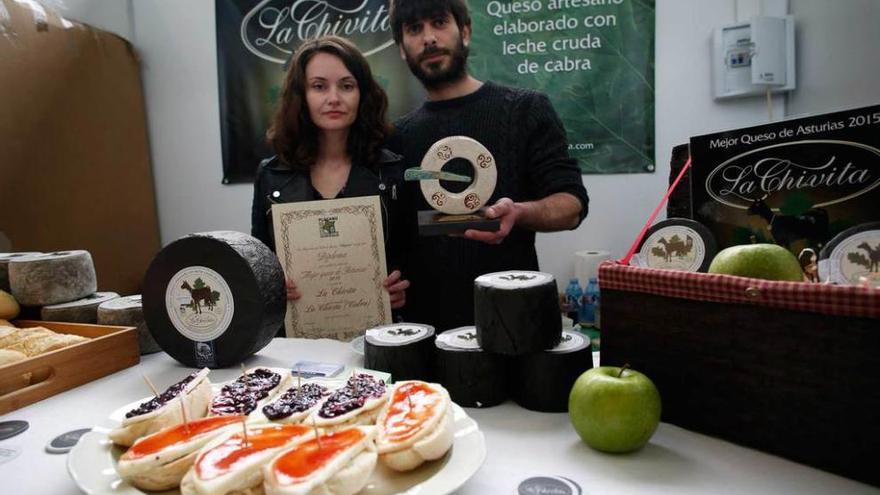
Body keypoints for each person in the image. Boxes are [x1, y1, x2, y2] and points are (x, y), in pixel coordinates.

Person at [387, 0, 590, 330]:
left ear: (464, 31)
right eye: (414, 29)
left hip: (516, 326)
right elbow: (396, 234)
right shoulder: (395, 138)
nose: (428, 38)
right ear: (401, 48)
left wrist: (519, 213)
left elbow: (572, 206)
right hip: (425, 334)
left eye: (439, 22)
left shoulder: (526, 110)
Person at [251, 35, 410, 311]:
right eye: (319, 86)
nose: (334, 98)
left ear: (363, 94)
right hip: (297, 343)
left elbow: (413, 258)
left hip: (378, 339)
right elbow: (259, 264)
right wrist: (273, 287)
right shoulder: (270, 175)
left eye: (347, 86)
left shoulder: (392, 171)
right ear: (301, 96)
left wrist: (404, 286)